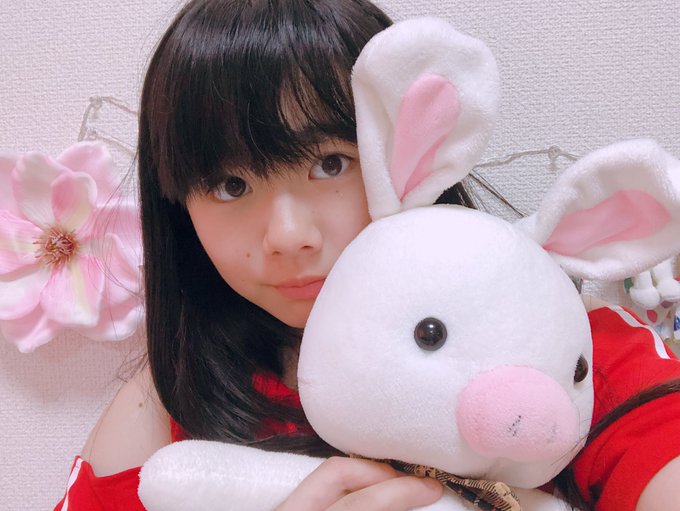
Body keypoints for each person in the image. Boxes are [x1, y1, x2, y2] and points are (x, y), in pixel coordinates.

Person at [52, 1, 680, 510]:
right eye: (230, 185)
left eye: (331, 163)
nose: (287, 235)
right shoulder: (169, 405)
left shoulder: (571, 359)